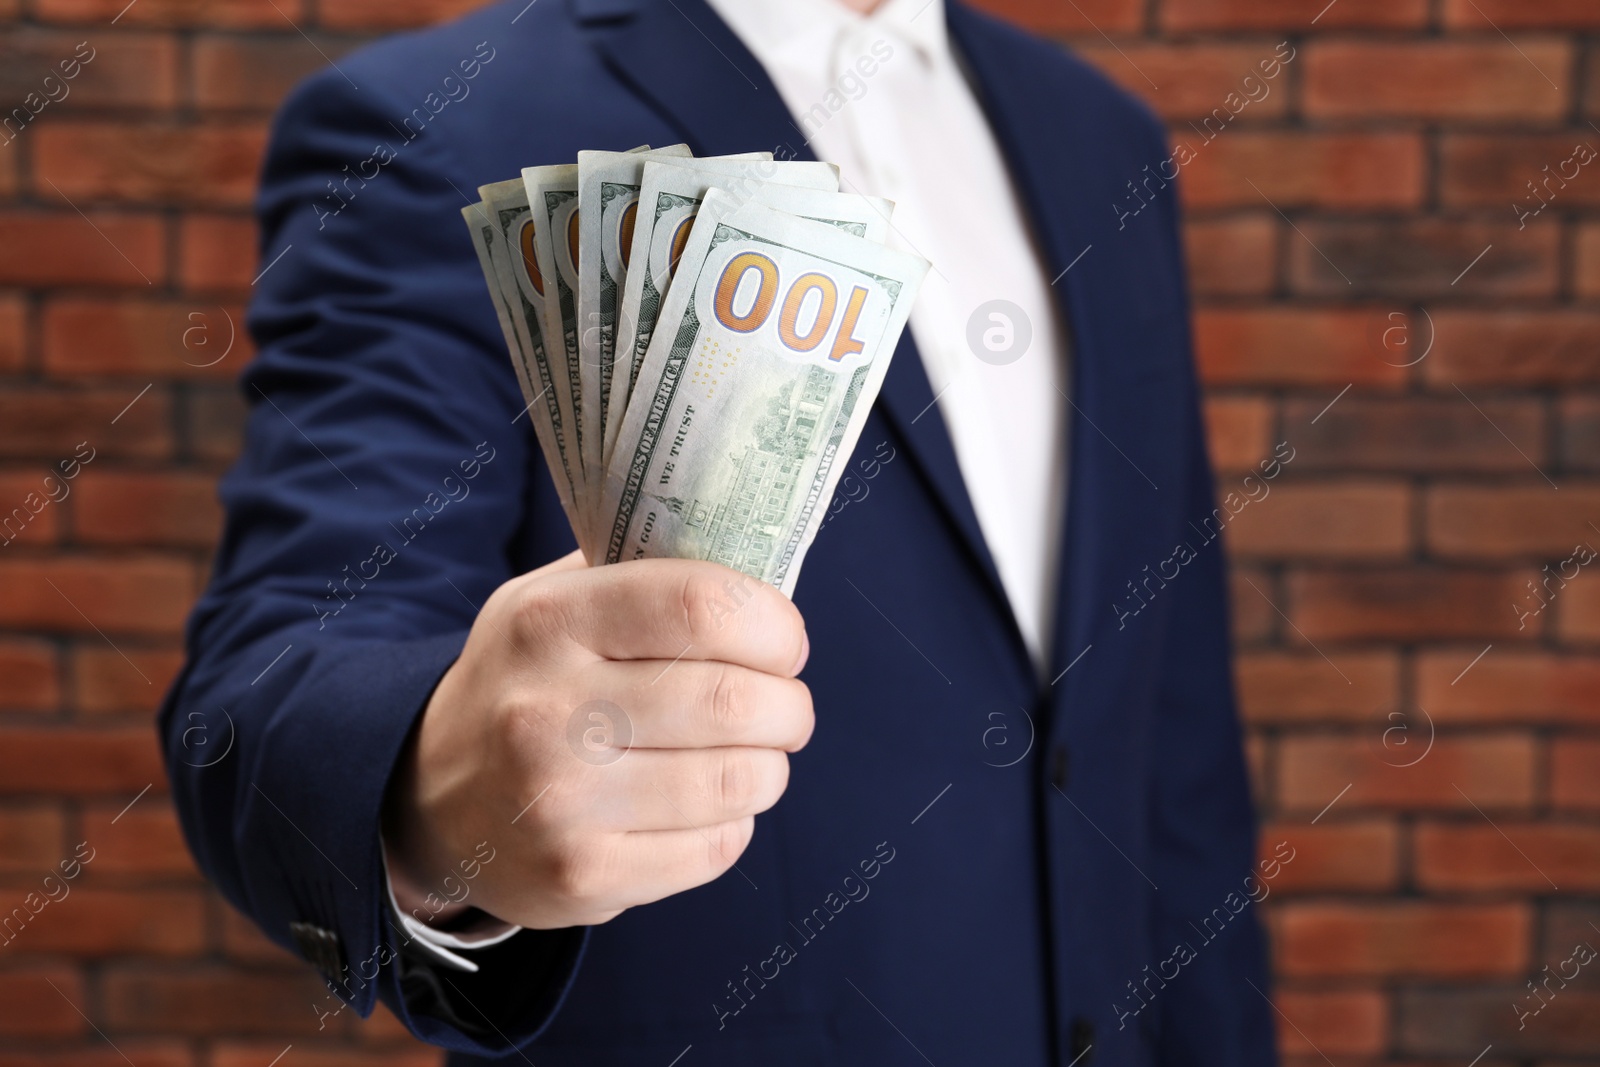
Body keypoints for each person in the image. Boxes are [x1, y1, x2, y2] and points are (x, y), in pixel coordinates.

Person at [160, 0, 1276, 1062]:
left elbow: (1173, 756)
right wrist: (437, 803)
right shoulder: (437, 123)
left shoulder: (1105, 140)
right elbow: (269, 680)